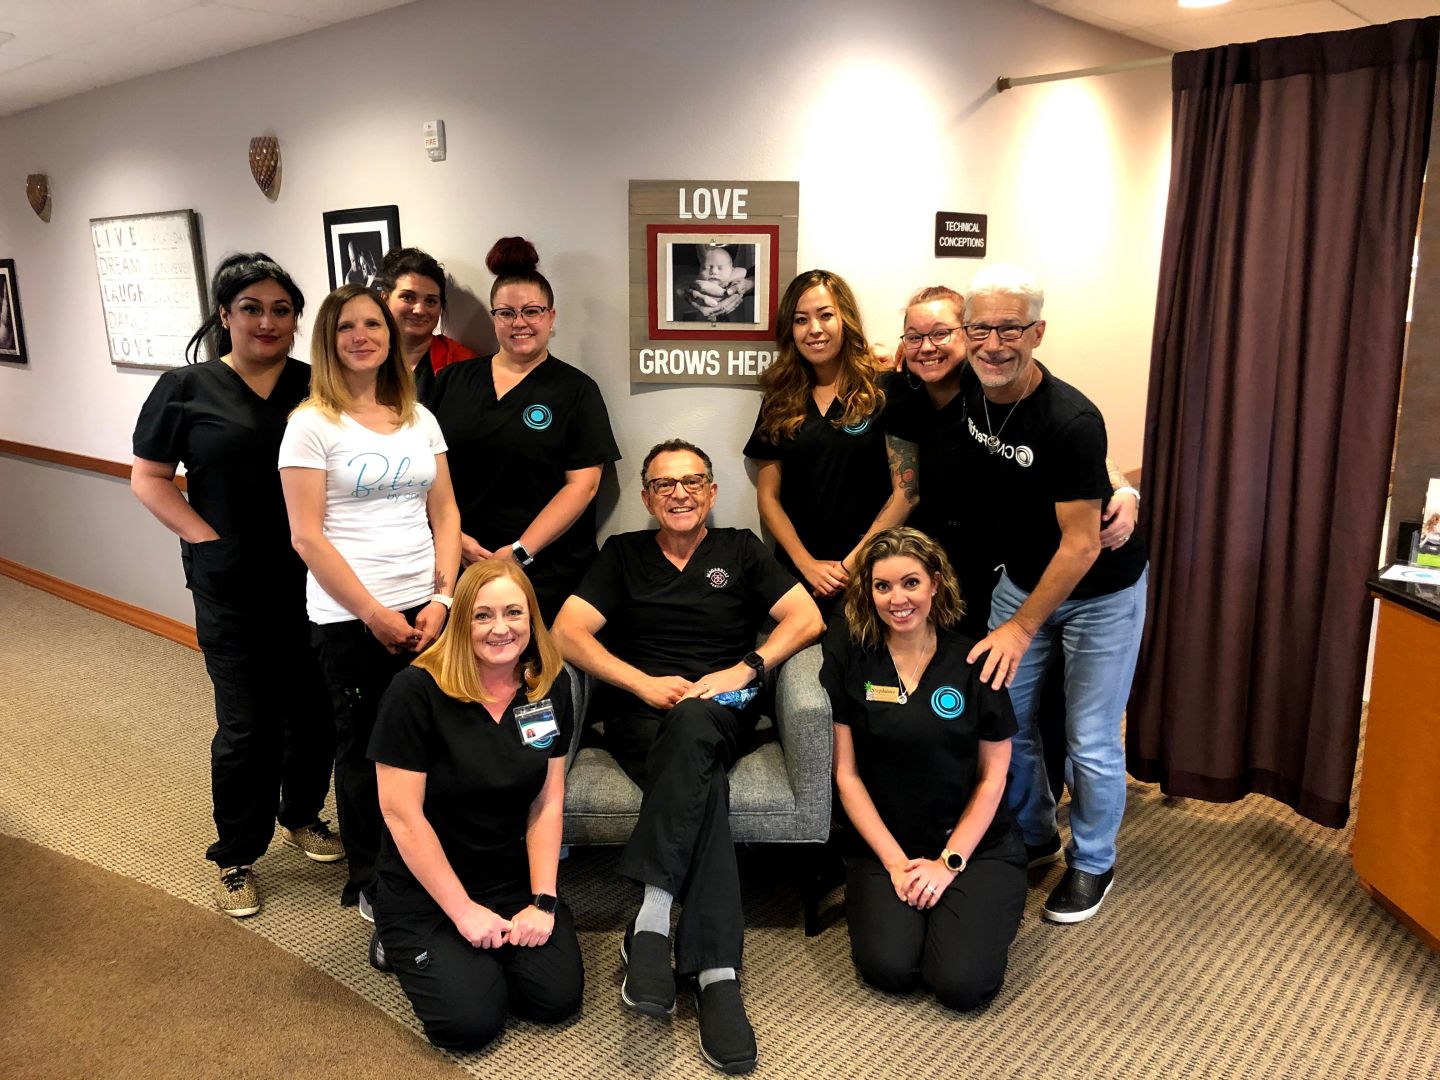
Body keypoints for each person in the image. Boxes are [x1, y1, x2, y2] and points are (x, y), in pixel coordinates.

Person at [552, 439, 824, 1076]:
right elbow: (566, 631)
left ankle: (651, 919)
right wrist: (642, 684)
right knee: (706, 787)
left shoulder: (741, 550)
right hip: (640, 718)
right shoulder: (622, 554)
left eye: (693, 481)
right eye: (664, 484)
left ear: (712, 491)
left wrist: (744, 668)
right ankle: (716, 975)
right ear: (648, 498)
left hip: (721, 711)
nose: (680, 493)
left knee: (698, 720)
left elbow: (806, 618)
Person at [131, 252, 340, 917]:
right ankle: (237, 856)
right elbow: (149, 478)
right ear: (225, 315)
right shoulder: (185, 388)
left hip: (317, 581)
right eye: (251, 308)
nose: (267, 322)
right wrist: (206, 541)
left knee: (315, 714)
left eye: (282, 310)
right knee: (248, 726)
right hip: (232, 587)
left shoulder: (319, 385)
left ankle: (301, 814)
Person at [951, 264, 1149, 923]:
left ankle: (1093, 862)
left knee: (1090, 735)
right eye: (980, 329)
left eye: (1010, 329)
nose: (993, 344)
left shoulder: (1070, 419)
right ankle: (1033, 833)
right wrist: (1120, 483)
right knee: (1005, 718)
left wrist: (1019, 627)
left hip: (1100, 591)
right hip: (1023, 577)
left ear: (1038, 332)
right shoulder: (971, 382)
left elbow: (1082, 545)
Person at [279, 283, 461, 919]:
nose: (361, 337)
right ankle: (370, 879)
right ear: (328, 341)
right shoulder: (310, 425)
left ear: (390, 335)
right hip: (351, 619)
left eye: (373, 325)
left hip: (428, 609)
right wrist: (373, 614)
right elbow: (307, 536)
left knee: (429, 742)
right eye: (345, 327)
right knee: (365, 750)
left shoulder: (419, 418)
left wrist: (443, 597)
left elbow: (445, 511)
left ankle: (427, 861)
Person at [369, 559, 583, 1050]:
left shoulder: (549, 684)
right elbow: (402, 816)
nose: (500, 628)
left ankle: (472, 954)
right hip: (425, 885)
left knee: (555, 998)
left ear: (532, 617)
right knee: (470, 1023)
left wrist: (542, 901)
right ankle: (395, 939)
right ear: (461, 621)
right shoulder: (415, 691)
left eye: (513, 612)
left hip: (507, 875)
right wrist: (463, 911)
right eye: (482, 615)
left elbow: (548, 801)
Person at [820, 527, 1024, 1009]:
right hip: (884, 845)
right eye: (883, 586)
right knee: (890, 968)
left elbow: (993, 778)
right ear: (868, 593)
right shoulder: (853, 663)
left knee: (959, 983)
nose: (898, 599)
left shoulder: (976, 661)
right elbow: (846, 776)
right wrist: (895, 863)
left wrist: (948, 863)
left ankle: (966, 905)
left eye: (910, 583)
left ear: (935, 582)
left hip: (974, 845)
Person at [428, 236, 620, 623]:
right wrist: (454, 539)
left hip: (548, 570)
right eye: (506, 313)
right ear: (494, 317)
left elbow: (583, 486)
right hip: (460, 564)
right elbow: (425, 470)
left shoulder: (576, 390)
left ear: (551, 316)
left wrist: (519, 552)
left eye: (532, 311)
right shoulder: (451, 381)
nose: (519, 323)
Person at [743, 269, 917, 621]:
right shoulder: (780, 399)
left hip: (871, 568)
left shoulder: (884, 389)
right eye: (801, 320)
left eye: (825, 315)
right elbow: (768, 497)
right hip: (797, 573)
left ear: (845, 319)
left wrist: (849, 565)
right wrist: (807, 565)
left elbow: (907, 493)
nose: (814, 329)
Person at [377, 247, 478, 403]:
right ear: (385, 299)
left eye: (431, 301)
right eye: (408, 297)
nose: (419, 310)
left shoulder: (462, 363)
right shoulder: (363, 355)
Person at [677, 244, 754, 322]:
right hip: (704, 315)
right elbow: (685, 290)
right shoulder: (701, 281)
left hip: (729, 315)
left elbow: (743, 271)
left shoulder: (732, 278)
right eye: (707, 267)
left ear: (731, 269)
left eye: (720, 268)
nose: (713, 271)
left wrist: (728, 280)